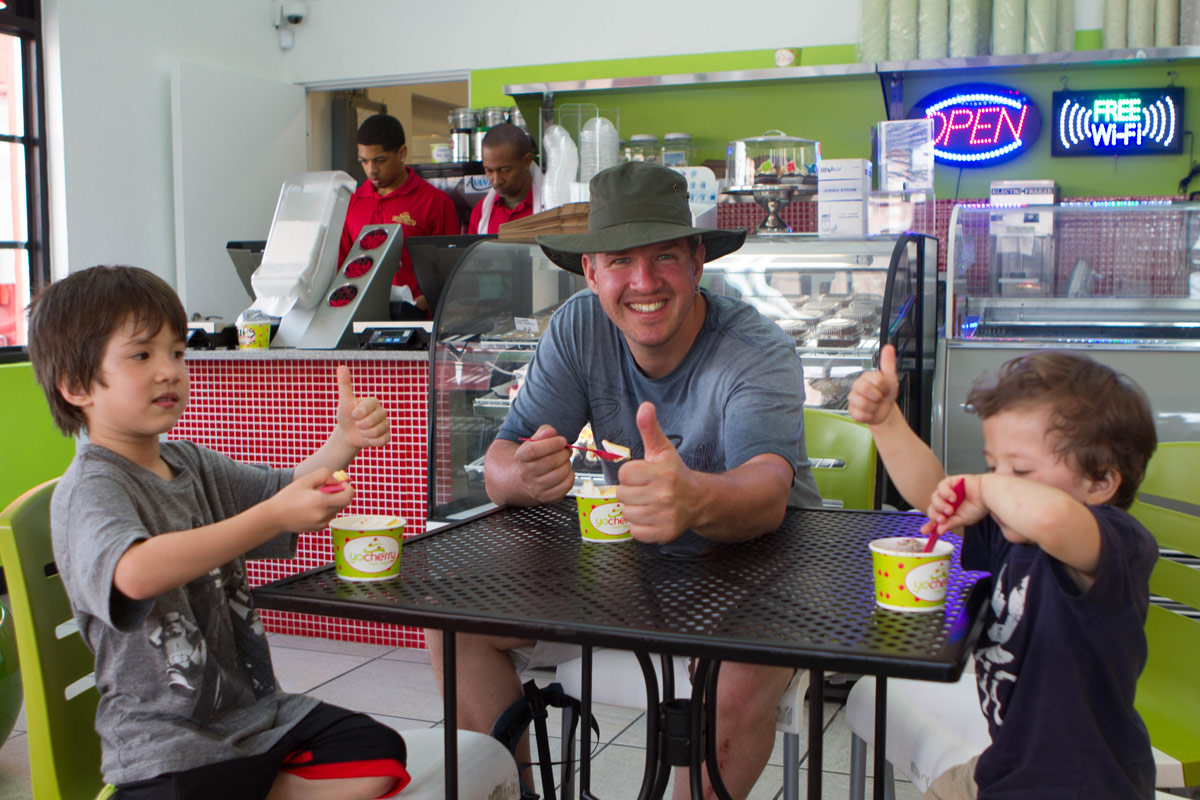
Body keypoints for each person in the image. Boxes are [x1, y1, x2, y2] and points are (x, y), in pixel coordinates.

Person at [425, 161, 823, 799]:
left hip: (758, 563)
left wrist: (691, 499)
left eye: (664, 256)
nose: (643, 282)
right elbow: (503, 461)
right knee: (454, 623)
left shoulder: (757, 348)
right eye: (619, 261)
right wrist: (520, 474)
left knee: (738, 679)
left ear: (697, 260)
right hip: (629, 568)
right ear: (590, 271)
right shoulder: (579, 327)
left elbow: (769, 490)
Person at [27, 265, 406, 800]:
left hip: (251, 714)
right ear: (76, 385)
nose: (169, 371)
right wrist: (271, 518)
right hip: (163, 739)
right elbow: (134, 572)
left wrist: (343, 441)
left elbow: (284, 489)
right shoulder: (90, 488)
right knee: (194, 785)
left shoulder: (190, 464)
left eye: (177, 353)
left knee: (378, 750)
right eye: (142, 355)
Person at [848, 346, 1158, 799]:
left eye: (1021, 471)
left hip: (1084, 783)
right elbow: (933, 493)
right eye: (993, 466)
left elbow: (1053, 519)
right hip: (1009, 766)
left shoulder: (1114, 543)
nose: (996, 483)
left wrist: (986, 485)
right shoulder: (1011, 534)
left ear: (1100, 483)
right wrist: (885, 421)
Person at [338, 113, 459, 315]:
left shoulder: (435, 202)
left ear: (402, 153)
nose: (371, 170)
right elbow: (341, 269)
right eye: (364, 161)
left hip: (418, 323)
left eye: (380, 160)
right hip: (362, 322)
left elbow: (452, 271)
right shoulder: (351, 203)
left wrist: (423, 303)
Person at [467, 123, 542, 235]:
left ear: (526, 161)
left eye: (505, 170)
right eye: (489, 171)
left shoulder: (554, 208)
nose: (496, 181)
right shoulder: (480, 213)